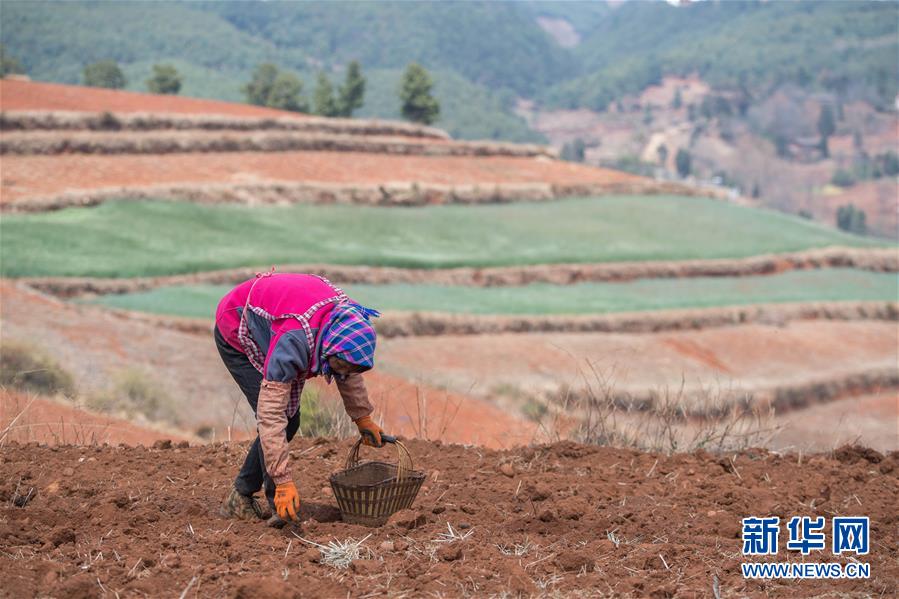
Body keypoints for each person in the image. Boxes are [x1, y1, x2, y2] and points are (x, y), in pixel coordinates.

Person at [214, 271, 384, 527]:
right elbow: (271, 415)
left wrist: (363, 418)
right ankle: (273, 505)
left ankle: (245, 496)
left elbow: (347, 371)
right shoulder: (294, 340)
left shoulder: (346, 323)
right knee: (285, 420)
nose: (340, 374)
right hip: (236, 326)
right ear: (328, 348)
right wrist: (283, 481)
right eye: (338, 366)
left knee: (290, 419)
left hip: (281, 321)